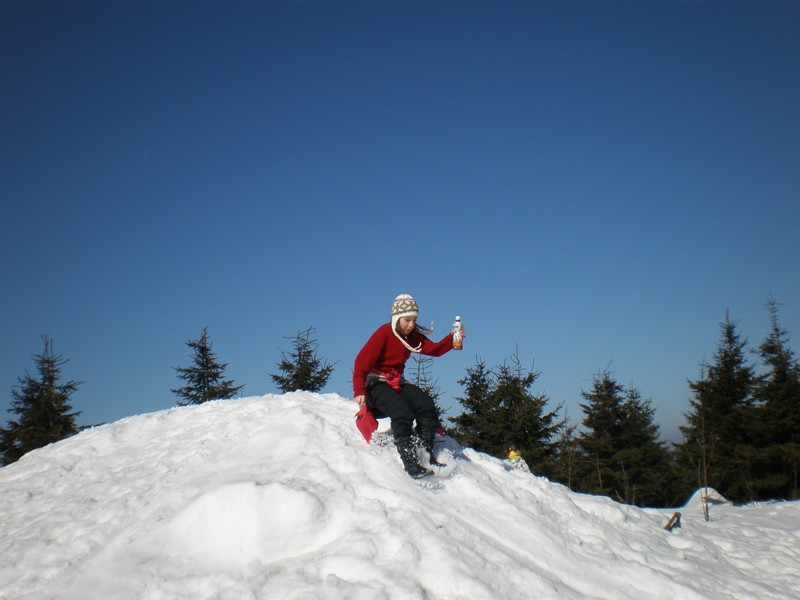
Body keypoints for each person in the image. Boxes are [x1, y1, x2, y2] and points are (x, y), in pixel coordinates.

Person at [353, 294, 459, 478]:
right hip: (375, 385)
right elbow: (361, 362)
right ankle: (410, 462)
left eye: (414, 320)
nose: (411, 325)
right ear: (397, 319)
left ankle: (427, 455)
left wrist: (452, 338)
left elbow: (433, 350)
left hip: (397, 382)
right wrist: (359, 390)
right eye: (407, 320)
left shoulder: (412, 337)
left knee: (425, 404)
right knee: (400, 411)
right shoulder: (383, 333)